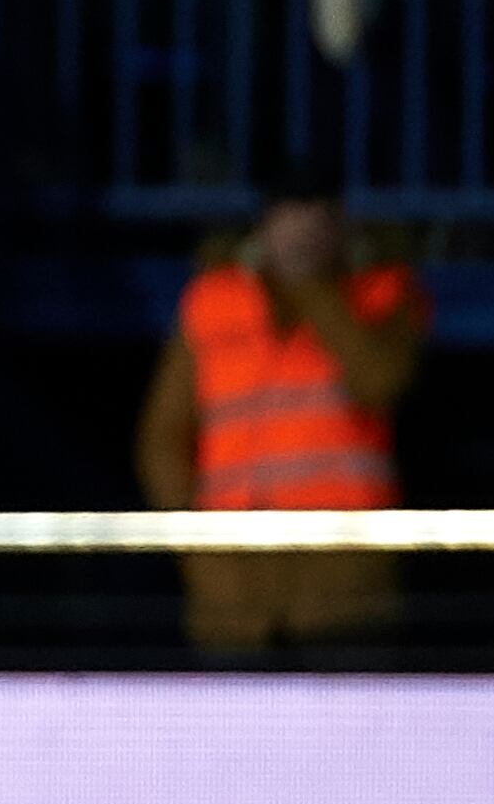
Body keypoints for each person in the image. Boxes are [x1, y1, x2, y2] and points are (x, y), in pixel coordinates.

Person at [136, 171, 427, 661]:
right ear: (263, 230)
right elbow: (161, 439)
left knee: (348, 736)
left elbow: (379, 383)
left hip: (344, 595)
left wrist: (312, 286)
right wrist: (195, 550)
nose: (303, 239)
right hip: (234, 601)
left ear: (342, 231)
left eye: (318, 227)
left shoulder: (385, 293)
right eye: (290, 226)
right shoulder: (213, 300)